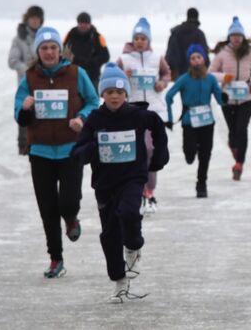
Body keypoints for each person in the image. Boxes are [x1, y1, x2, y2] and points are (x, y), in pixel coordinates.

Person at [72, 63, 169, 303]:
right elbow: (78, 151)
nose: (114, 96)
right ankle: (118, 281)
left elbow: (157, 125)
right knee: (109, 235)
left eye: (119, 92)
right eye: (109, 92)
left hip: (132, 177)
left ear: (126, 93)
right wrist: (94, 147)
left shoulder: (137, 115)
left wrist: (158, 158)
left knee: (128, 212)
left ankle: (134, 245)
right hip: (105, 183)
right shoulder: (95, 119)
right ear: (102, 94)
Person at [13, 26, 99, 278]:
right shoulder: (29, 78)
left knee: (68, 201)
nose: (49, 52)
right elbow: (20, 115)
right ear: (37, 51)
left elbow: (93, 102)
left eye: (53, 48)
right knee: (47, 207)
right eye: (44, 48)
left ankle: (71, 218)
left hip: (71, 148)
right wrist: (26, 107)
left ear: (60, 50)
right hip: (40, 151)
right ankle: (55, 258)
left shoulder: (76, 73)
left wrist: (81, 118)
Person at [117, 17, 171, 214]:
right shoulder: (124, 59)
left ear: (148, 40)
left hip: (154, 111)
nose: (140, 41)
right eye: (137, 38)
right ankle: (135, 190)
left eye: (143, 38)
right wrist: (124, 76)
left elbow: (167, 74)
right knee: (135, 153)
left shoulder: (157, 58)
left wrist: (162, 84)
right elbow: (112, 79)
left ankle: (149, 190)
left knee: (149, 150)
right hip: (131, 111)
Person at [165, 44, 225, 198]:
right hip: (189, 122)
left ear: (204, 59)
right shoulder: (184, 79)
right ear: (189, 61)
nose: (196, 61)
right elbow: (168, 96)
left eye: (199, 57)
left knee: (205, 154)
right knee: (190, 154)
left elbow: (219, 99)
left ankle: (201, 184)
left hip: (207, 122)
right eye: (193, 58)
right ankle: (189, 152)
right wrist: (170, 118)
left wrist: (224, 98)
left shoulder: (210, 79)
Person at [209, 16, 251, 181]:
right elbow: (210, 73)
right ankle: (233, 146)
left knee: (242, 128)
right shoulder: (222, 54)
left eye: (239, 35)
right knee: (233, 132)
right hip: (228, 98)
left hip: (247, 98)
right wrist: (224, 77)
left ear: (243, 37)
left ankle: (239, 163)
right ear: (229, 37)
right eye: (233, 35)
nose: (236, 38)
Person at [8, 5, 44, 155]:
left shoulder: (45, 36)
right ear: (27, 19)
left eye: (38, 19)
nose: (35, 22)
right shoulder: (19, 39)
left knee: (42, 112)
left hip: (44, 83)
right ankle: (23, 144)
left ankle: (40, 141)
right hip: (26, 82)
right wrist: (28, 69)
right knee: (24, 111)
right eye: (33, 19)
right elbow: (12, 61)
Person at [63, 11, 110, 88]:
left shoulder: (97, 37)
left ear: (90, 24)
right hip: (73, 75)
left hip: (92, 77)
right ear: (78, 23)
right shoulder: (70, 35)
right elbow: (62, 52)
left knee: (93, 99)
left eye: (86, 23)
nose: (83, 26)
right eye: (81, 23)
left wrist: (92, 62)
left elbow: (105, 56)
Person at [165, 7, 211, 80]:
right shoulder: (199, 34)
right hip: (197, 73)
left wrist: (171, 69)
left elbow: (170, 54)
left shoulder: (176, 32)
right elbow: (205, 55)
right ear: (197, 17)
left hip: (178, 73)